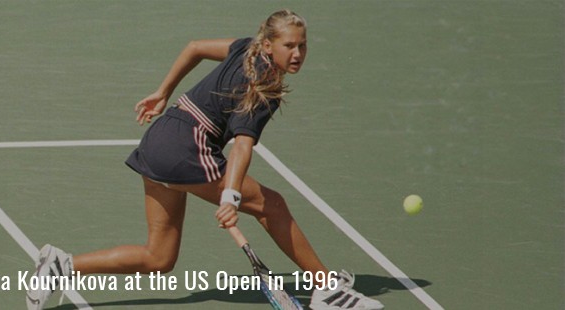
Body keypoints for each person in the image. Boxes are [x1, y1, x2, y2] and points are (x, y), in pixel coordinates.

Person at [26, 9, 384, 310]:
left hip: (160, 139)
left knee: (159, 258)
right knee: (271, 205)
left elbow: (195, 47)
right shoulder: (262, 87)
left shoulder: (245, 48)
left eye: (302, 45)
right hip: (186, 148)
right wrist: (231, 196)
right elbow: (243, 146)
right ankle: (326, 290)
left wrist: (162, 92)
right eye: (289, 45)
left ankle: (62, 264)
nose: (297, 54)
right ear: (268, 43)